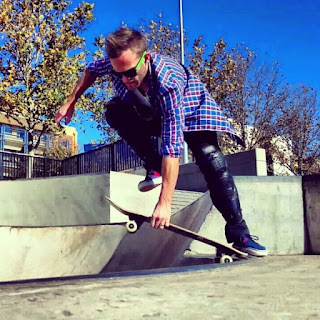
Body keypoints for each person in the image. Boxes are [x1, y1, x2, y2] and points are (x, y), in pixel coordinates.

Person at [55, 26, 267, 257]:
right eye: (119, 74)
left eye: (130, 73)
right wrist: (71, 102)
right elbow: (92, 70)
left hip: (194, 112)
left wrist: (165, 203)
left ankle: (240, 234)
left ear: (145, 58)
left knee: (211, 162)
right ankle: (154, 167)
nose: (125, 79)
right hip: (154, 111)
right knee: (115, 112)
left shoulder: (169, 81)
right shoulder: (117, 65)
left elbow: (172, 145)